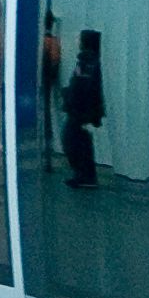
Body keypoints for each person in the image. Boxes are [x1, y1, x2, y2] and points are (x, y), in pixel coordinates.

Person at [63, 28, 105, 189]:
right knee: (82, 142)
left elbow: (83, 87)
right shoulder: (88, 62)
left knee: (74, 141)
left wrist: (71, 100)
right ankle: (85, 175)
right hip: (81, 110)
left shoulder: (87, 63)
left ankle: (84, 175)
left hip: (79, 111)